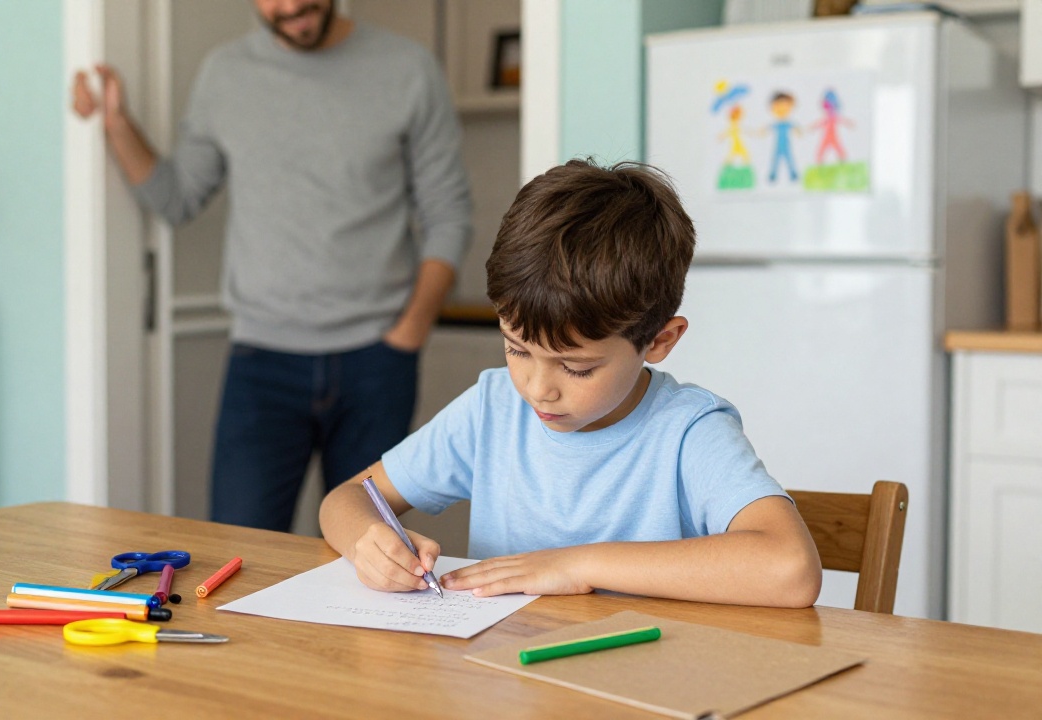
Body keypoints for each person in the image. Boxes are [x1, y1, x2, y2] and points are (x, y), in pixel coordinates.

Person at [319, 160, 822, 607]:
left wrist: (575, 565)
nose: (539, 389)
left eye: (576, 367)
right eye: (517, 349)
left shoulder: (689, 431)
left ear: (660, 341)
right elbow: (345, 499)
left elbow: (791, 569)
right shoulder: (493, 408)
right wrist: (370, 538)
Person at [72, 0, 472, 532]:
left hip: (376, 362)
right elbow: (176, 198)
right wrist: (117, 124)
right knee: (241, 548)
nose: (290, 8)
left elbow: (449, 213)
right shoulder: (225, 73)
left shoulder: (408, 69)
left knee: (371, 552)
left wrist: (410, 330)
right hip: (262, 361)